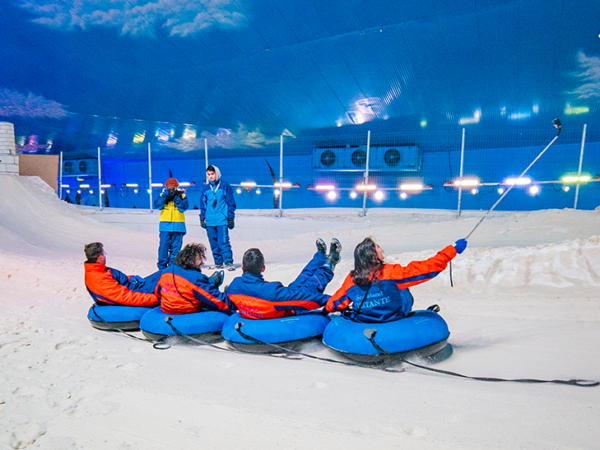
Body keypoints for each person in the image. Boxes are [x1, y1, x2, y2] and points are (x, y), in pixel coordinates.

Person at [325, 237, 468, 323]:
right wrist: (452, 250)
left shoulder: (352, 279)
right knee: (402, 288)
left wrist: (327, 310)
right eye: (378, 247)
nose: (382, 249)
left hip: (366, 319)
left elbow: (337, 302)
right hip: (392, 317)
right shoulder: (391, 273)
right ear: (373, 255)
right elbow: (427, 268)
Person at [226, 238, 342, 319]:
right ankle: (331, 262)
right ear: (263, 268)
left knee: (301, 279)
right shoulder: (271, 292)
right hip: (288, 309)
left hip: (278, 298)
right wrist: (333, 301)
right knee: (311, 284)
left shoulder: (234, 286)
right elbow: (307, 299)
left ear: (242, 267)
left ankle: (320, 256)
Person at [156, 243, 236, 315]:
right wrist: (232, 300)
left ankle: (211, 282)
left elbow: (158, 291)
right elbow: (216, 300)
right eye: (200, 259)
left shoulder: (167, 271)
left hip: (167, 308)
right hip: (184, 310)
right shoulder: (196, 278)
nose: (202, 263)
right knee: (223, 309)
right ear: (191, 260)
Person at [84, 242, 160, 307]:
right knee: (168, 283)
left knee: (167, 271)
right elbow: (125, 297)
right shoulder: (99, 280)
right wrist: (155, 298)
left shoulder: (97, 270)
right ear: (100, 258)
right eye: (104, 254)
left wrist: (129, 278)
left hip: (134, 284)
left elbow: (113, 281)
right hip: (136, 291)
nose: (105, 256)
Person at [199, 165, 236, 270]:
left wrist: (230, 217)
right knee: (213, 242)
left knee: (223, 241)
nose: (211, 176)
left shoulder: (224, 185)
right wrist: (202, 217)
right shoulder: (206, 188)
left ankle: (228, 261)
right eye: (209, 174)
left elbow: (231, 202)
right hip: (210, 220)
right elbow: (203, 204)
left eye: (212, 174)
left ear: (217, 174)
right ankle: (218, 262)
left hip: (222, 219)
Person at [154, 177, 189, 269]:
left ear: (177, 187)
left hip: (178, 226)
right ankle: (162, 267)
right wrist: (165, 196)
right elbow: (158, 206)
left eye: (173, 188)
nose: (172, 190)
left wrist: (176, 198)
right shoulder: (162, 196)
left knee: (176, 249)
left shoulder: (182, 196)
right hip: (165, 226)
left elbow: (183, 207)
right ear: (166, 187)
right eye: (170, 188)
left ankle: (173, 267)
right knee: (163, 247)